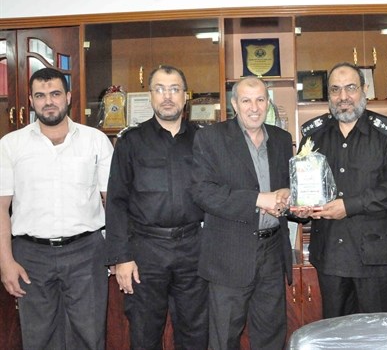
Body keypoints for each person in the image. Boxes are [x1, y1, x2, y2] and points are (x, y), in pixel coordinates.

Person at [0, 67, 113, 349]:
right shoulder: (11, 145)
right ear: (31, 101)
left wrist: (116, 252)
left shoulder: (95, 140)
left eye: (55, 94)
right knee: (38, 339)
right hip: (30, 256)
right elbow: (1, 208)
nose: (48, 101)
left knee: (90, 336)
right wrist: (5, 262)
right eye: (40, 95)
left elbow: (112, 201)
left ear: (68, 97)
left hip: (86, 253)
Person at [299, 62, 387, 318]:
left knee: (381, 334)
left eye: (350, 88)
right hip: (331, 256)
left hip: (377, 259)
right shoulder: (313, 135)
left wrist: (349, 206)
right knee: (336, 333)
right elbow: (303, 187)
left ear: (364, 89)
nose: (343, 97)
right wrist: (301, 208)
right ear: (328, 94)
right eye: (335, 89)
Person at [105, 65, 208, 349]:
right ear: (150, 95)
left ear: (185, 96)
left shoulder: (203, 140)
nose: (167, 96)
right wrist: (121, 258)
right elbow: (116, 202)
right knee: (144, 333)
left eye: (174, 89)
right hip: (145, 252)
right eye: (160, 89)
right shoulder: (131, 141)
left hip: (193, 249)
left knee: (196, 333)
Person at [191, 76, 294, 350]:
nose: (254, 107)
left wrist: (288, 193)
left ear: (268, 103)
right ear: (234, 104)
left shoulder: (282, 139)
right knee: (224, 338)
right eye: (246, 100)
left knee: (271, 336)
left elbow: (288, 185)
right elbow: (203, 192)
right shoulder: (210, 138)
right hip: (229, 255)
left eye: (260, 99)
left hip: (273, 252)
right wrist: (259, 199)